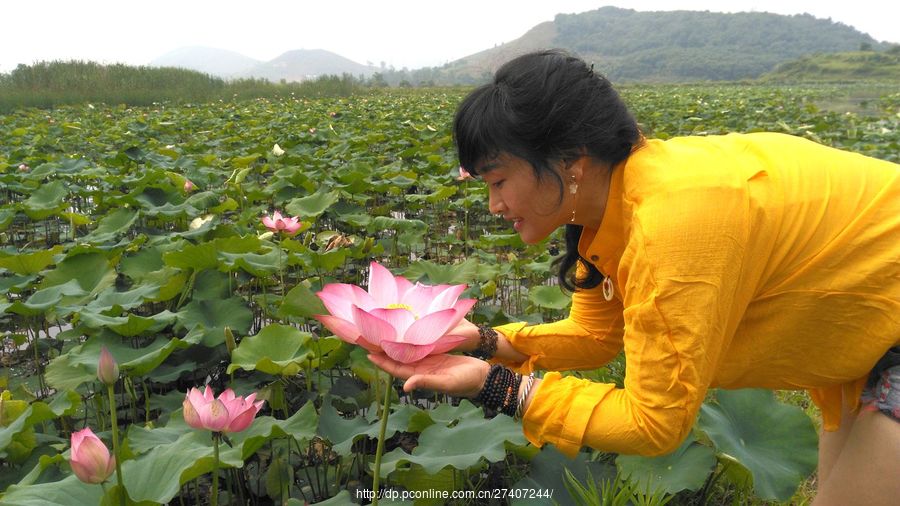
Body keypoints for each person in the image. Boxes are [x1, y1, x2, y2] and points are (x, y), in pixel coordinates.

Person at [366, 49, 900, 505]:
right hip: (869, 339)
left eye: (500, 180)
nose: (495, 204)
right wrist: (487, 341)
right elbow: (598, 337)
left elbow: (654, 423)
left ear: (570, 161)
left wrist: (499, 388)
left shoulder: (678, 220)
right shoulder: (610, 205)